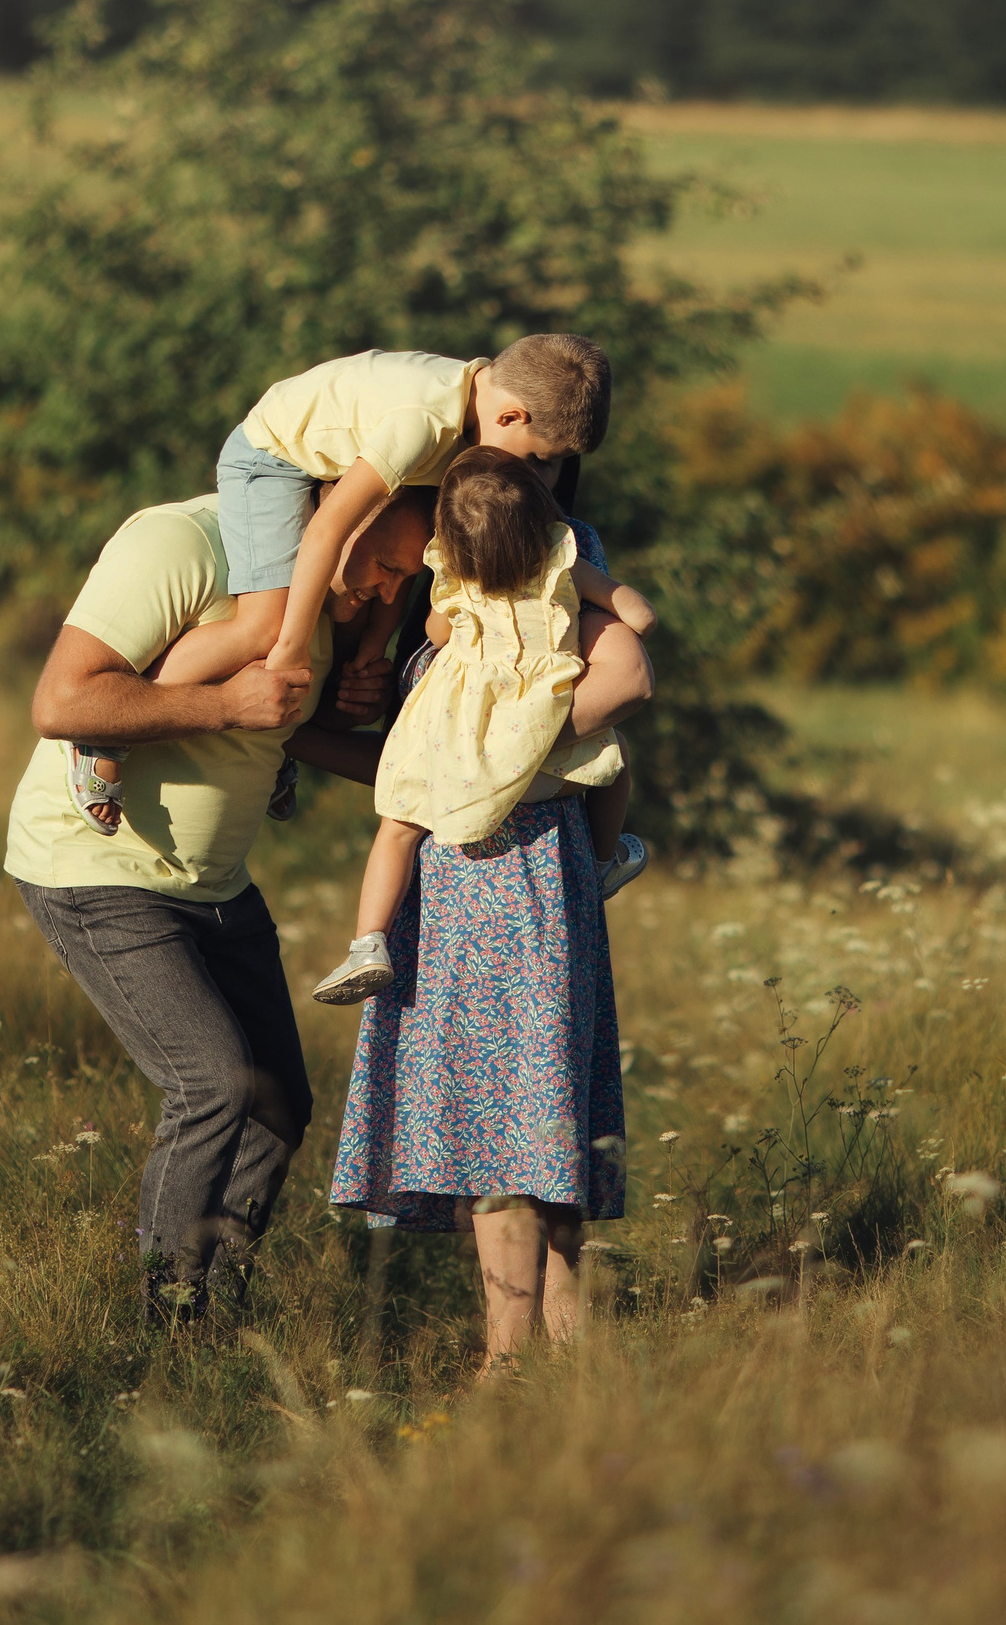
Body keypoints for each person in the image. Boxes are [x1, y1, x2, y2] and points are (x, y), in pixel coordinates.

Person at [5, 481, 425, 1325]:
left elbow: (277, 726)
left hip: (217, 885)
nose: (386, 590)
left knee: (279, 1107)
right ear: (342, 515)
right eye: (383, 565)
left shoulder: (329, 602)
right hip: (98, 867)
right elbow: (63, 703)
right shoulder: (184, 543)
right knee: (213, 1085)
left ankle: (216, 1308)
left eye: (403, 579)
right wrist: (227, 701)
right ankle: (164, 1322)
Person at [326, 478, 652, 1377]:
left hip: (508, 879)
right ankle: (559, 1355)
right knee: (526, 1120)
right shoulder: (467, 603)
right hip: (483, 881)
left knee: (510, 1124)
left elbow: (629, 673)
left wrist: (504, 760)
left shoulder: (557, 579)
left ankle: (510, 1365)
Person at [69, 335, 613, 826]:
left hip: (324, 465)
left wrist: (371, 652)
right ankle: (107, 736)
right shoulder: (422, 424)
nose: (540, 475)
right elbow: (329, 529)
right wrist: (289, 647)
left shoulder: (479, 401)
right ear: (512, 416)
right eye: (542, 459)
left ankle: (277, 744)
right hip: (270, 459)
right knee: (263, 626)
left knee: (397, 567)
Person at [313, 446, 654, 1008]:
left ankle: (367, 941)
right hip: (532, 746)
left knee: (397, 829)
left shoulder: (451, 573)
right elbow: (640, 615)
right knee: (611, 766)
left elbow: (437, 634)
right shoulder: (559, 561)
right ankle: (603, 863)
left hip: (450, 740)